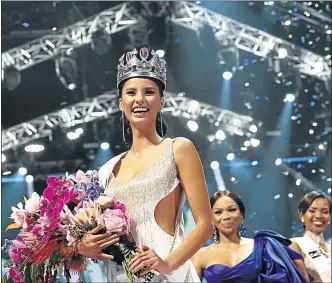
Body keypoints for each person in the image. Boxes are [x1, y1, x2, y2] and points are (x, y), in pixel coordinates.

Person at [77, 47, 213, 282]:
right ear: (121, 103)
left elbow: (205, 224)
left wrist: (167, 263)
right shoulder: (107, 170)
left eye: (149, 92)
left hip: (169, 275)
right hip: (121, 276)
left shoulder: (178, 149)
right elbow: (98, 234)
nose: (139, 99)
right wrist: (83, 246)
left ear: (161, 101)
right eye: (131, 92)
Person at [192, 190, 310, 283]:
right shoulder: (200, 255)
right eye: (218, 212)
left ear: (242, 215)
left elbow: (294, 271)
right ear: (211, 218)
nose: (226, 216)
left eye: (232, 210)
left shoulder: (262, 246)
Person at [291, 191, 331, 283]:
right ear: (301, 215)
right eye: (312, 211)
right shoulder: (295, 244)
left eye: (325, 212)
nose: (318, 216)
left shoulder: (330, 248)